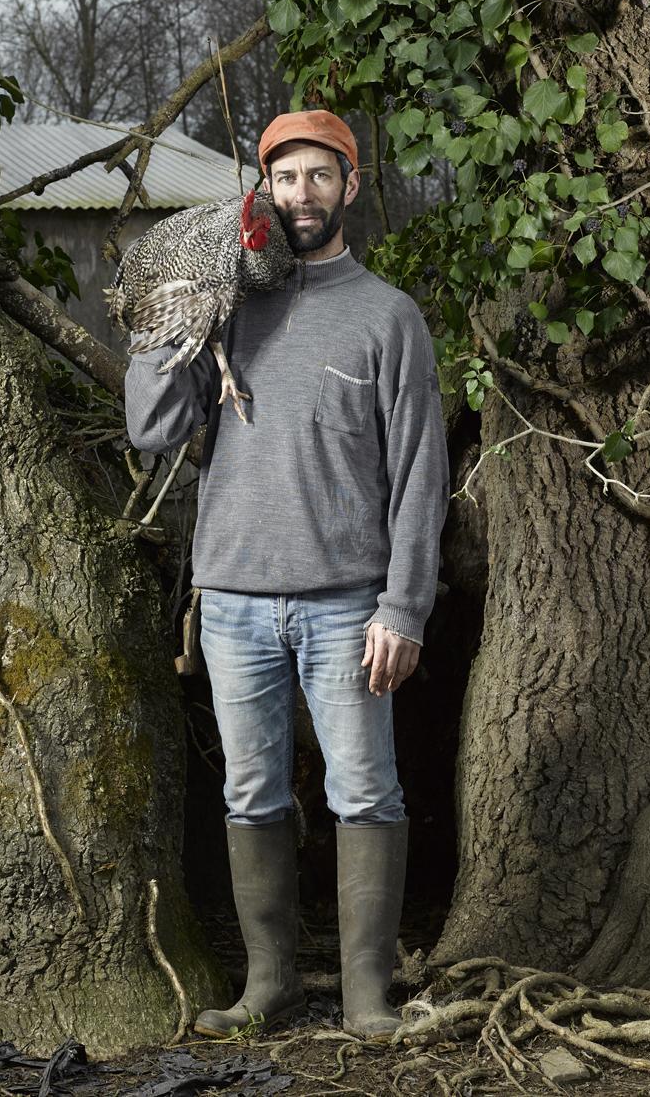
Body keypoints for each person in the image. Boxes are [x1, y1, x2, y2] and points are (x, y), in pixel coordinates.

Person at [124, 109, 449, 1039]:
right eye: (284, 178)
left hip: (350, 603)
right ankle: (270, 984)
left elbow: (421, 477)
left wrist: (404, 606)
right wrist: (171, 316)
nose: (300, 194)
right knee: (250, 792)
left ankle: (364, 995)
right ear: (262, 190)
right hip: (229, 599)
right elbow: (150, 430)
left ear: (350, 185)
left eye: (319, 176)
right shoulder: (229, 304)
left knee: (364, 792)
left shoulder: (387, 316)